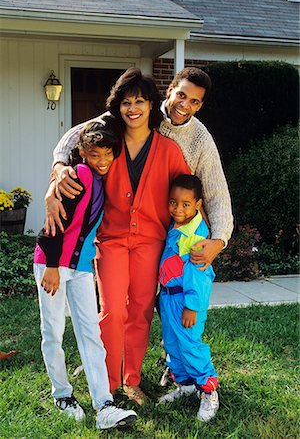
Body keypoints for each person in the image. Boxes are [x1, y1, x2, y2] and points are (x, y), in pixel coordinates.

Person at [46, 67, 233, 270]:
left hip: (173, 231)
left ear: (200, 106)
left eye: (194, 101)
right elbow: (77, 135)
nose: (184, 105)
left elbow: (217, 193)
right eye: (181, 95)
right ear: (170, 89)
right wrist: (58, 166)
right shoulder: (137, 111)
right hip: (118, 231)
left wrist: (219, 240)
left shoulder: (200, 139)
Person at [33, 120, 137, 430]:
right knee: (53, 332)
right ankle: (62, 394)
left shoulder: (101, 179)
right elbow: (50, 226)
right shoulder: (78, 176)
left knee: (91, 333)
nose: (102, 161)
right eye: (95, 155)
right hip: (52, 265)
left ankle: (104, 404)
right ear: (82, 153)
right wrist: (52, 266)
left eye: (107, 155)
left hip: (79, 270)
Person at [157, 174, 219, 422]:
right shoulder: (175, 226)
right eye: (173, 202)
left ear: (198, 205)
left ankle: (208, 391)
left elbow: (199, 277)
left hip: (186, 302)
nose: (178, 209)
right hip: (169, 299)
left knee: (191, 346)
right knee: (172, 345)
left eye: (185, 204)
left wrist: (192, 306)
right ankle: (186, 386)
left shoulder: (196, 236)